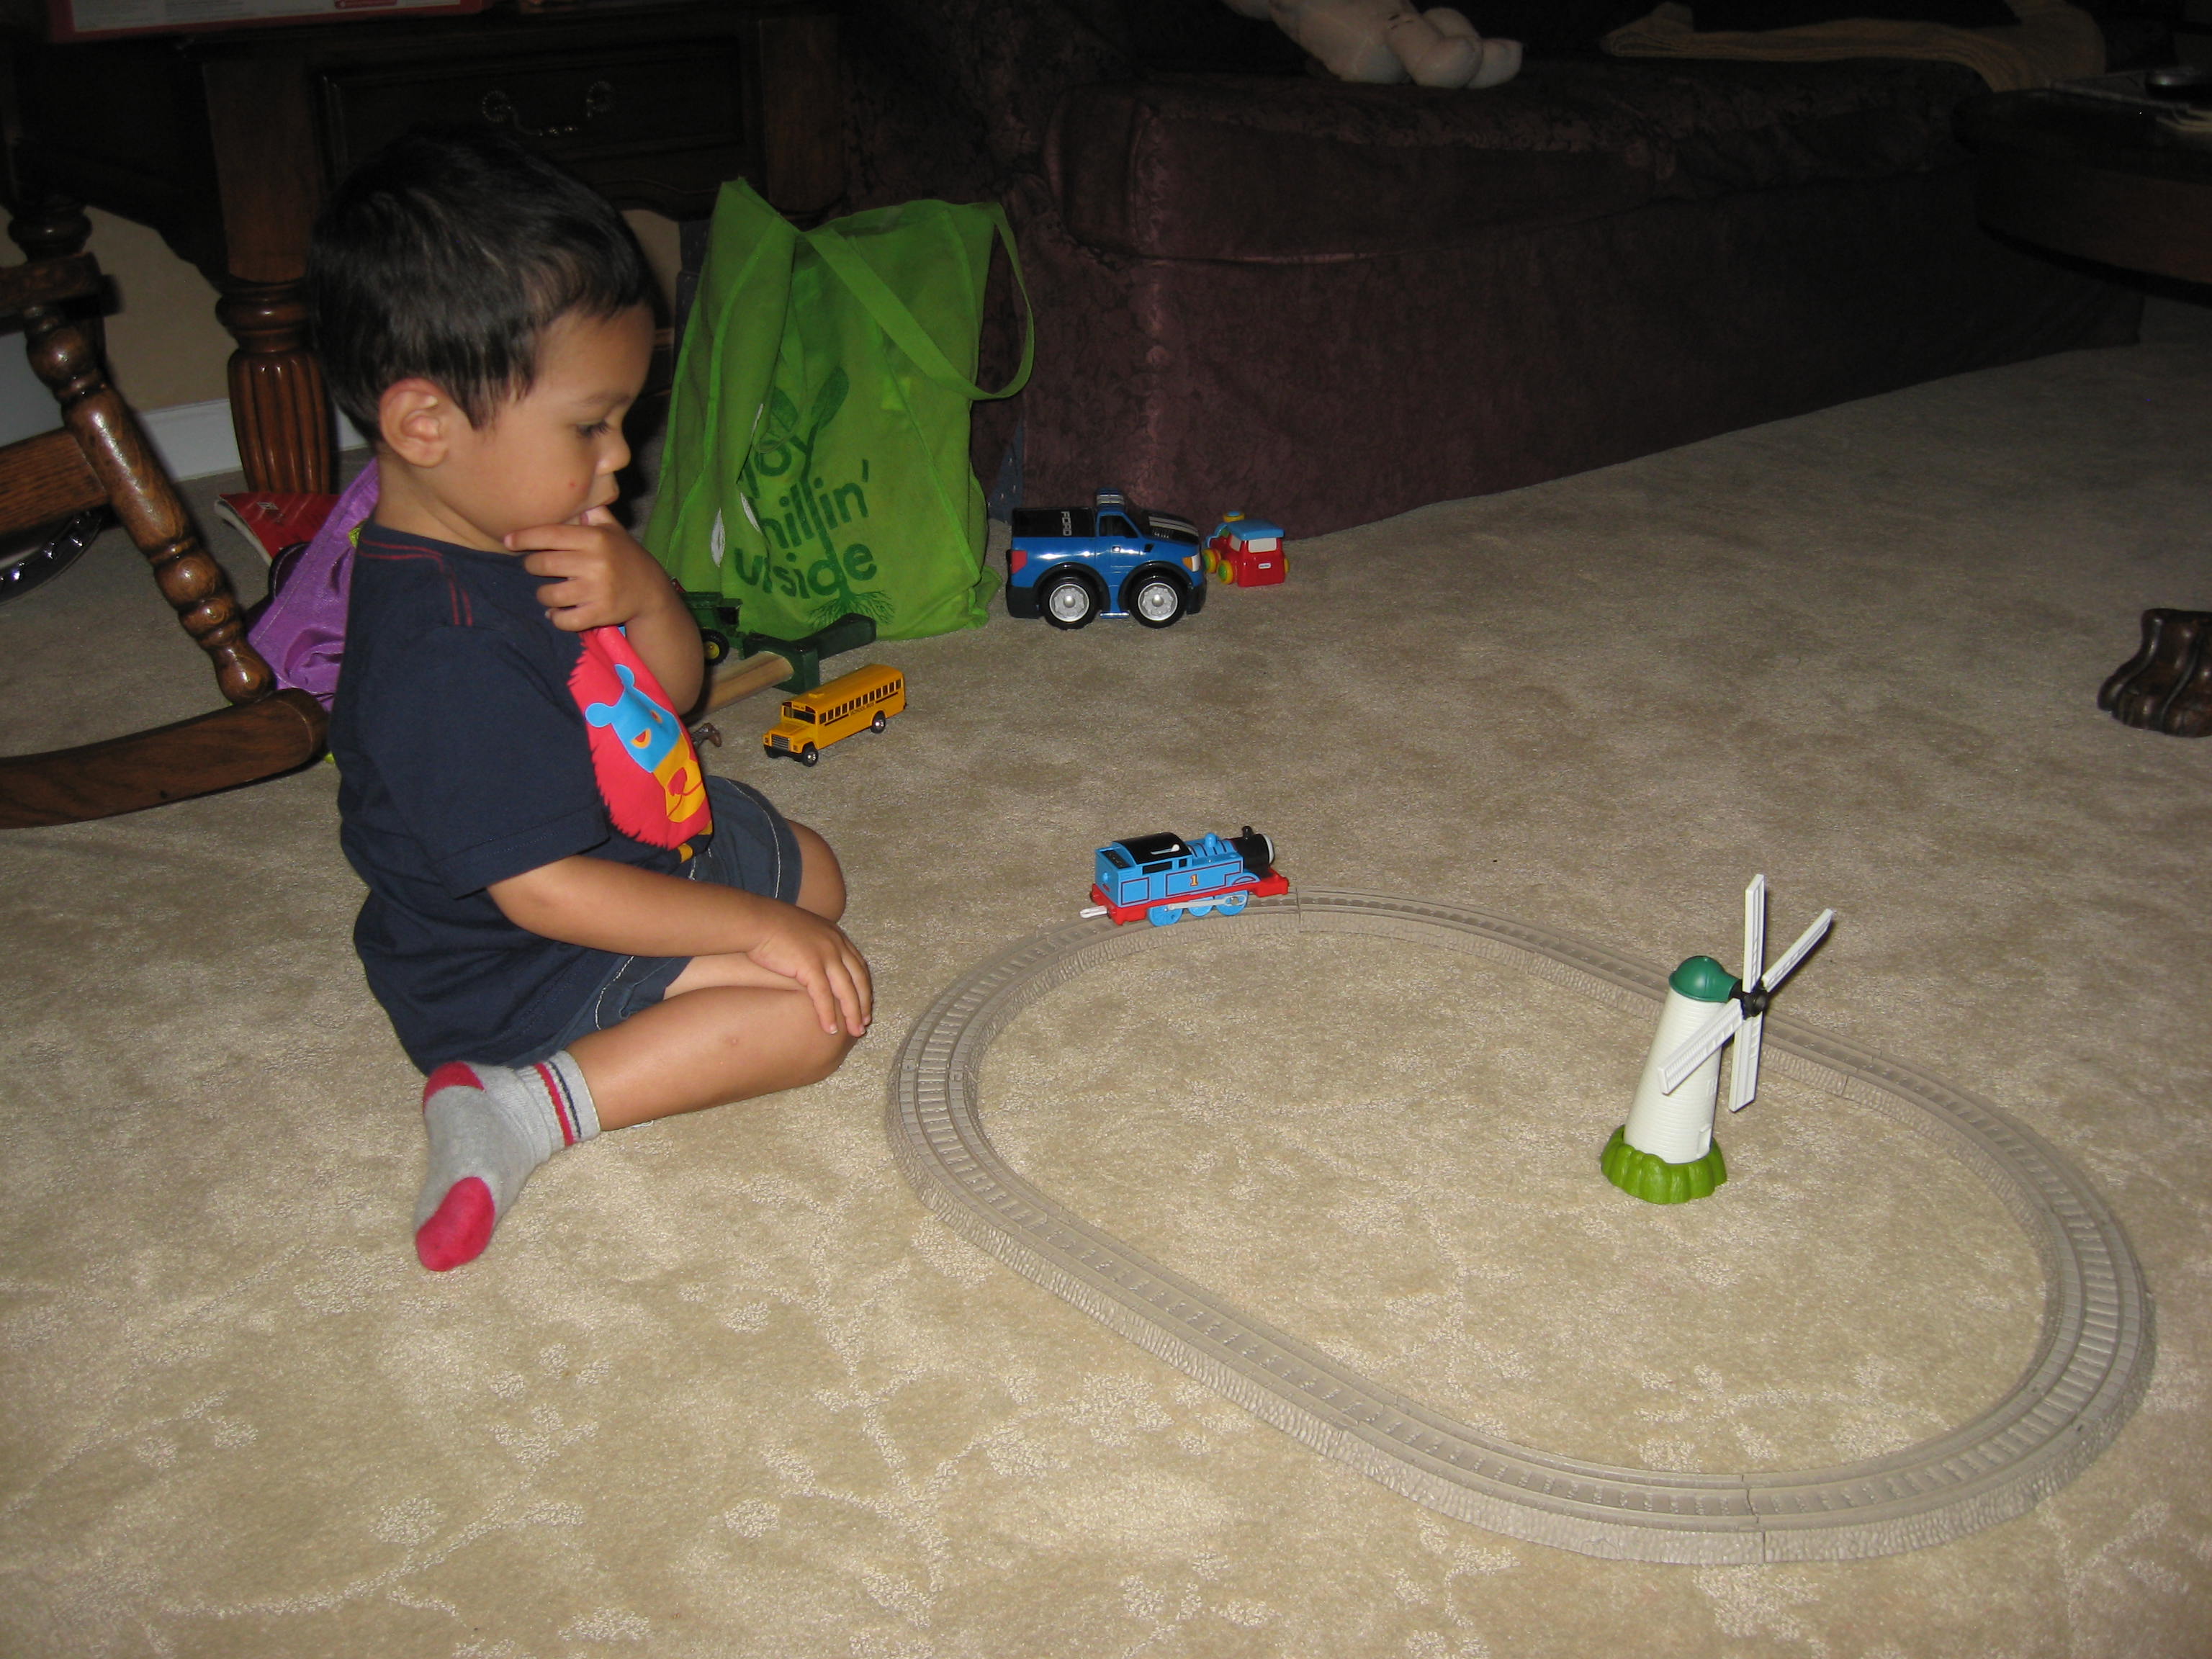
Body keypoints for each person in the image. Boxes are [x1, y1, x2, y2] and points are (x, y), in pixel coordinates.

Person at [315, 127, 871, 1272]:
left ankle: (699, 958)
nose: (624, 457)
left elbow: (669, 694)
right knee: (807, 1016)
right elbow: (545, 892)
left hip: (626, 840)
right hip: (512, 957)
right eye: (590, 425)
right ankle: (519, 1108)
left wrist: (645, 592)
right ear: (425, 425)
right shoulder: (442, 655)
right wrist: (749, 930)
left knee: (815, 878)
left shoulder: (529, 527)